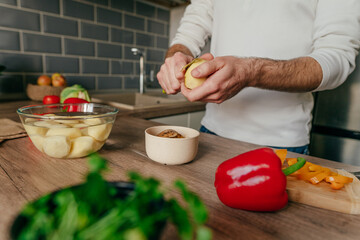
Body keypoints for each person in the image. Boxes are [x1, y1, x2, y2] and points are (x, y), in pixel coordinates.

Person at [156, 0, 360, 154]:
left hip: (282, 146)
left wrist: (252, 71)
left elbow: (337, 57)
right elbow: (190, 29)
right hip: (211, 133)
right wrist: (176, 57)